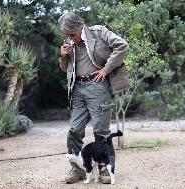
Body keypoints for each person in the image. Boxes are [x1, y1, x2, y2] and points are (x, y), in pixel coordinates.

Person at [58, 12, 129, 184]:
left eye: (71, 34)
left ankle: (105, 169)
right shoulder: (70, 41)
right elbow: (64, 68)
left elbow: (122, 45)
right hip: (77, 89)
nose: (70, 38)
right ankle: (78, 169)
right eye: (67, 36)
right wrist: (63, 56)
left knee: (101, 130)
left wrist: (106, 69)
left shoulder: (99, 32)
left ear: (78, 27)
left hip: (97, 86)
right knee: (74, 129)